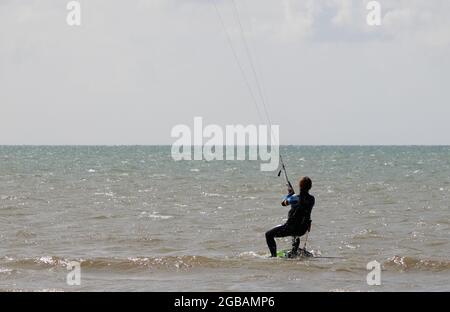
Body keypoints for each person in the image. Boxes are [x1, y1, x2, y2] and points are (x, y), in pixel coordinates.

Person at [265, 176, 315, 257]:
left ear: (300, 186)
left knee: (268, 235)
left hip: (291, 228)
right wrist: (292, 195)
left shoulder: (295, 198)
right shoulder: (312, 199)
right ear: (310, 187)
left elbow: (283, 203)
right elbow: (301, 205)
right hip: (302, 229)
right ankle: (294, 252)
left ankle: (273, 256)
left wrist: (289, 195)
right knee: (296, 233)